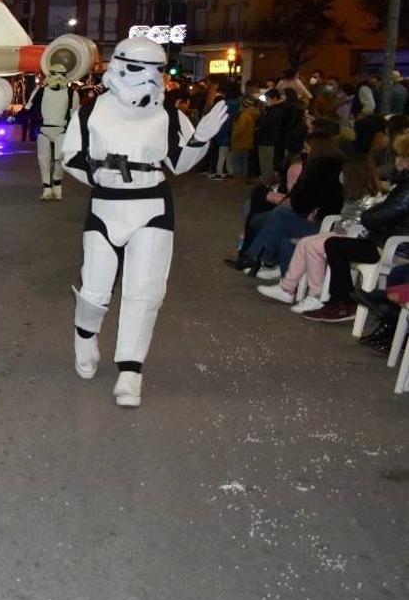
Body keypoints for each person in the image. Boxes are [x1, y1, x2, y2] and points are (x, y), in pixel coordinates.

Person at [62, 36, 229, 408]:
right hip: (106, 206)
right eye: (140, 69)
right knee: (95, 288)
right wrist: (96, 174)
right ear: (118, 66)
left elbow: (179, 164)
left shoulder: (168, 114)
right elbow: (71, 156)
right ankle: (85, 336)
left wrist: (199, 140)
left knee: (145, 290)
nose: (148, 80)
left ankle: (131, 371)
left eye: (157, 71)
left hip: (152, 204)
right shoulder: (91, 113)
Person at [257, 154, 384, 310]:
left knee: (312, 246)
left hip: (353, 237)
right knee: (305, 242)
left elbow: (365, 225)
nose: (341, 176)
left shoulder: (372, 198)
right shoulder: (354, 194)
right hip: (344, 233)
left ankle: (315, 294)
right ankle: (287, 288)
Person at [239, 130, 346, 277]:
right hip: (314, 217)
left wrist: (305, 174)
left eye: (307, 149)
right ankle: (264, 259)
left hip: (322, 223)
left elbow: (300, 201)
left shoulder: (320, 171)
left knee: (279, 217)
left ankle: (257, 256)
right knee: (270, 218)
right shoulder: (327, 169)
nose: (304, 152)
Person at [24, 62, 78, 201]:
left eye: (62, 75)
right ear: (49, 75)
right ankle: (47, 188)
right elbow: (28, 107)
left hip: (61, 129)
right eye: (55, 74)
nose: (59, 78)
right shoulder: (40, 91)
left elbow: (74, 115)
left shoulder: (72, 93)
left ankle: (57, 184)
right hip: (44, 129)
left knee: (60, 159)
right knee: (43, 160)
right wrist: (15, 118)